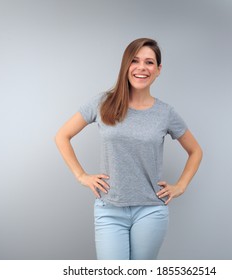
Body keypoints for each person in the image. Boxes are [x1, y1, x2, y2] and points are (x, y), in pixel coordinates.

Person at [55, 38, 203, 260]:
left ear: (158, 70)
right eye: (135, 61)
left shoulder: (165, 113)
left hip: (150, 210)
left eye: (149, 62)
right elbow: (62, 136)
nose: (142, 67)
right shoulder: (102, 103)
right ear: (126, 66)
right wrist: (81, 175)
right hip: (109, 209)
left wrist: (180, 186)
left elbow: (196, 151)